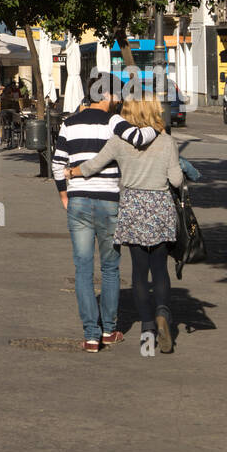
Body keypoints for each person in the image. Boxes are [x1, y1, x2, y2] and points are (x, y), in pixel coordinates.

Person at [66, 94, 185, 353]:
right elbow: (176, 180)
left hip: (132, 207)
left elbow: (93, 165)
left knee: (140, 274)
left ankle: (147, 331)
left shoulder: (119, 141)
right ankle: (163, 312)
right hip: (160, 208)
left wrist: (72, 171)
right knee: (160, 270)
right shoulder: (166, 141)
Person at [51, 72, 159, 352]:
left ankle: (90, 335)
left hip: (78, 203)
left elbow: (57, 163)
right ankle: (109, 330)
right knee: (110, 268)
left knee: (83, 269)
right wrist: (157, 128)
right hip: (110, 202)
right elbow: (139, 138)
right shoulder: (114, 121)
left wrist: (64, 193)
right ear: (108, 95)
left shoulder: (69, 123)